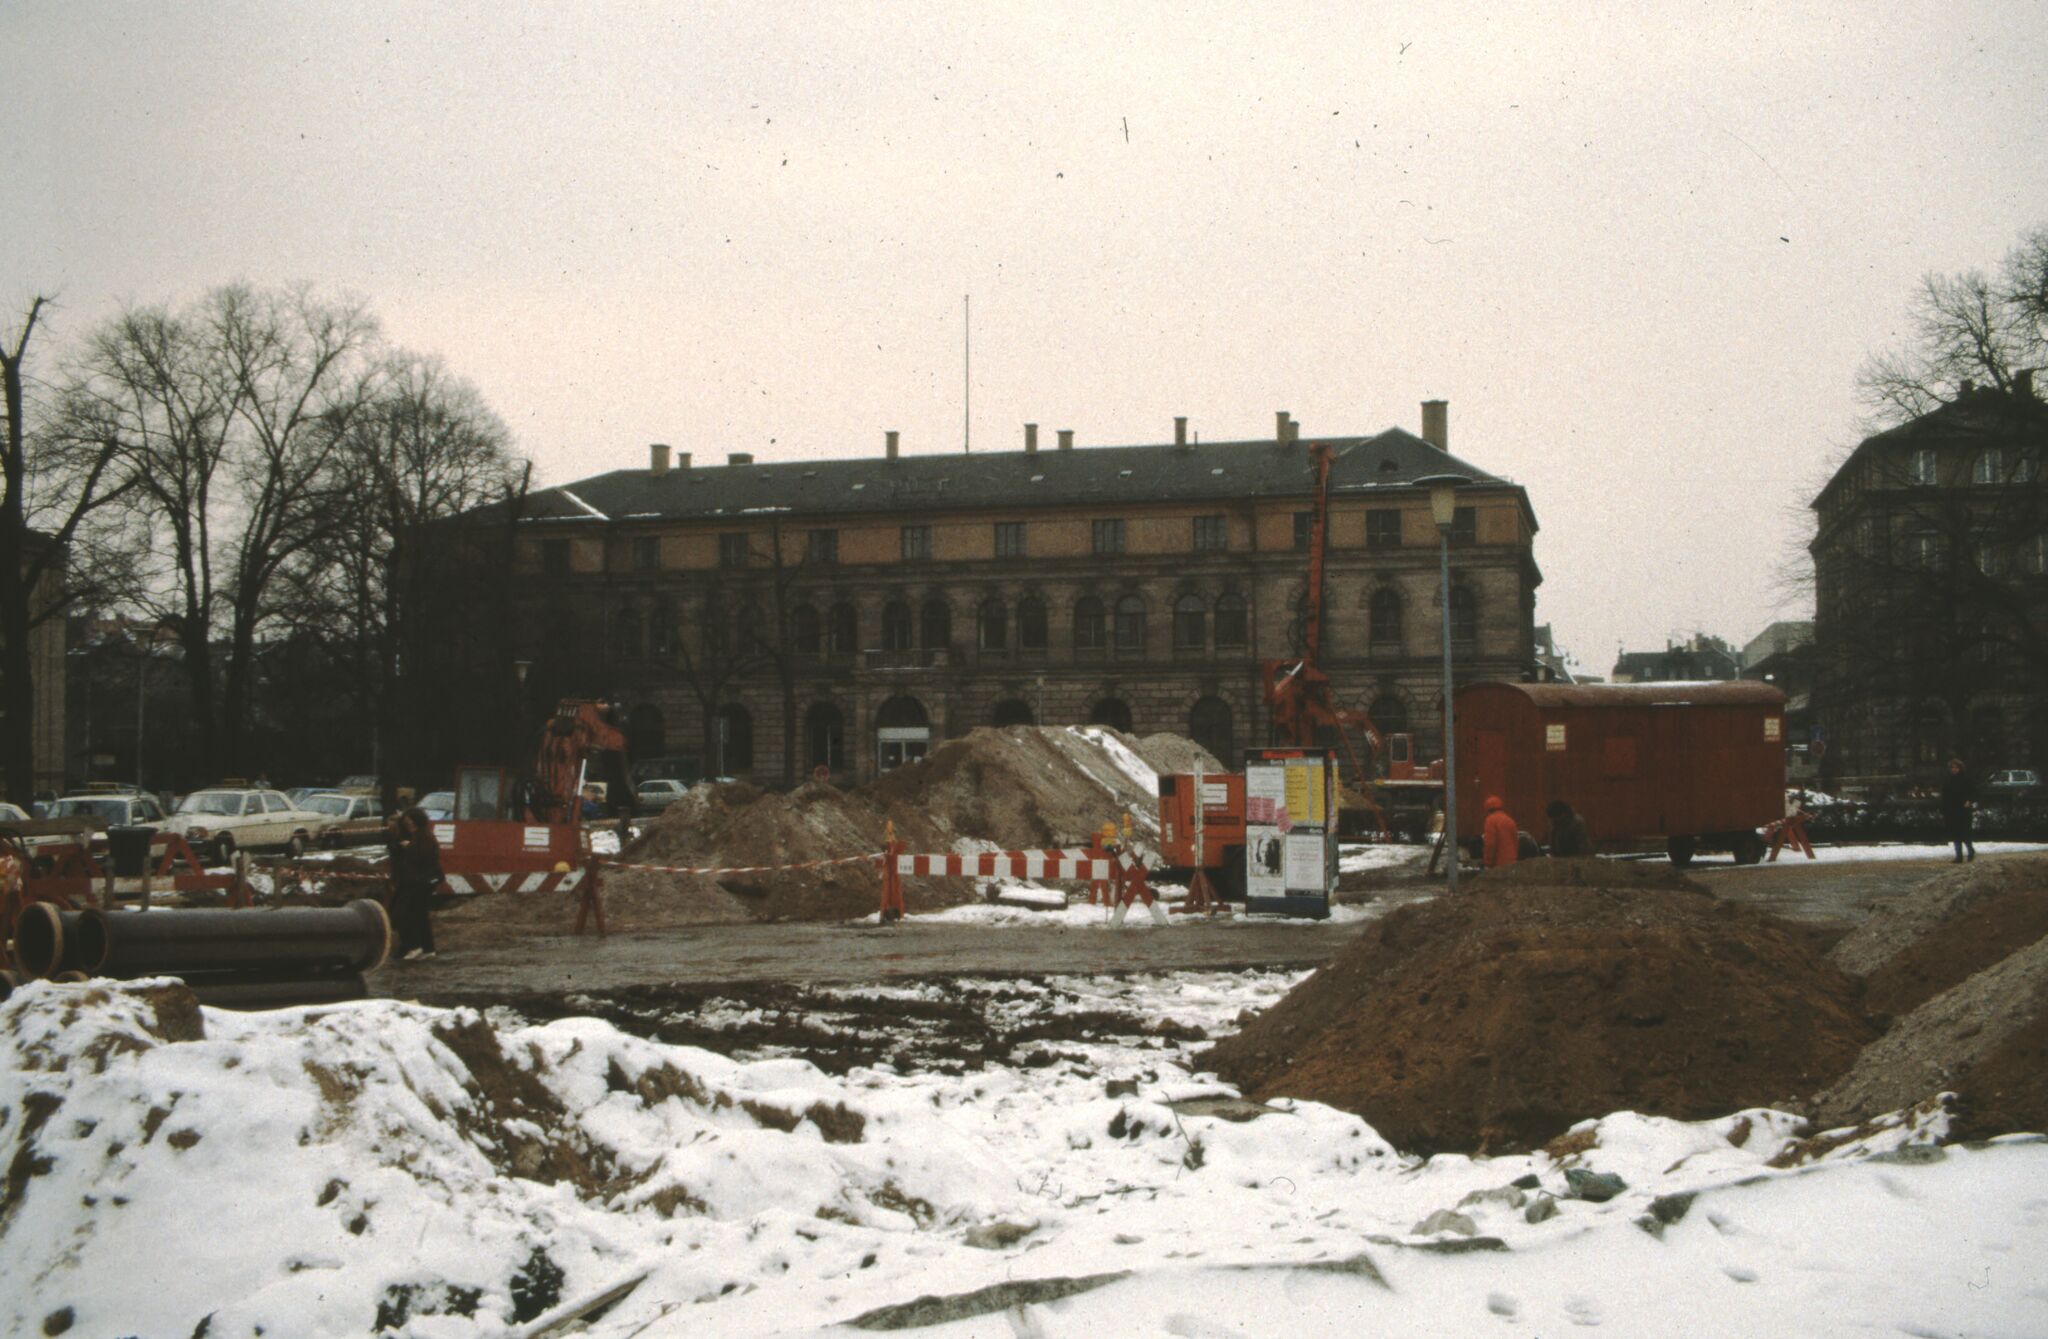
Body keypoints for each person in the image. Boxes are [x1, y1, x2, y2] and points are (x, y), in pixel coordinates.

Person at [386, 806, 444, 960]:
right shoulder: (420, 836)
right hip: (418, 882)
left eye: (411, 822)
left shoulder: (423, 838)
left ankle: (414, 946)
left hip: (417, 883)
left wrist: (408, 848)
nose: (409, 825)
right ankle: (427, 949)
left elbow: (421, 858)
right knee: (420, 916)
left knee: (403, 914)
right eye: (407, 822)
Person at [1940, 758, 1978, 863]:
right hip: (1952, 810)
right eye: (1952, 767)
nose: (1954, 769)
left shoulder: (1966, 778)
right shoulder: (1948, 780)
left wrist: (1969, 801)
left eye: (1956, 767)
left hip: (1963, 809)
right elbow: (1945, 795)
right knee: (1955, 834)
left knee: (1964, 833)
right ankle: (1959, 856)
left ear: (1960, 768)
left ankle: (1970, 850)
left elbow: (1974, 791)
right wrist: (1944, 808)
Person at [1482, 795, 1520, 869]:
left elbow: (1490, 844)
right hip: (1512, 863)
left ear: (1487, 809)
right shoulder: (1510, 820)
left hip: (1498, 864)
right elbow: (1516, 841)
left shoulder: (1490, 820)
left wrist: (1487, 862)